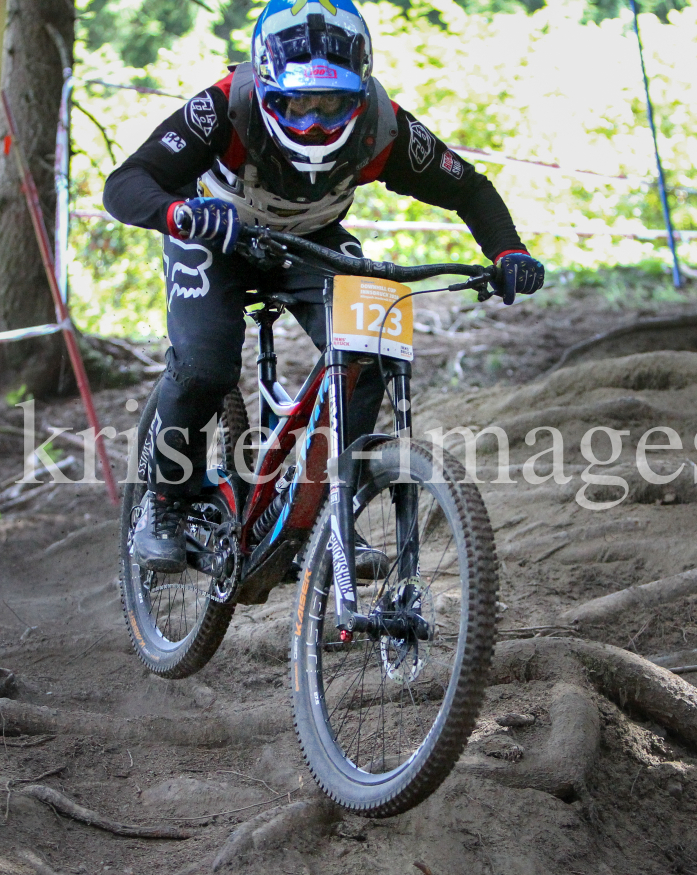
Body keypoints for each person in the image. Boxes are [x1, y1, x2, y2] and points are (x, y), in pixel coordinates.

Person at [104, 0, 544, 573]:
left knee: (369, 355)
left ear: (358, 94)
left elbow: (471, 190)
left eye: (331, 104)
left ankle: (327, 519)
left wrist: (507, 251)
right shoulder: (222, 105)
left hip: (309, 241)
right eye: (297, 103)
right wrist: (180, 214)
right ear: (265, 88)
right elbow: (125, 184)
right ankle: (164, 502)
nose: (313, 122)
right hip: (215, 237)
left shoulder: (384, 127)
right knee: (205, 368)